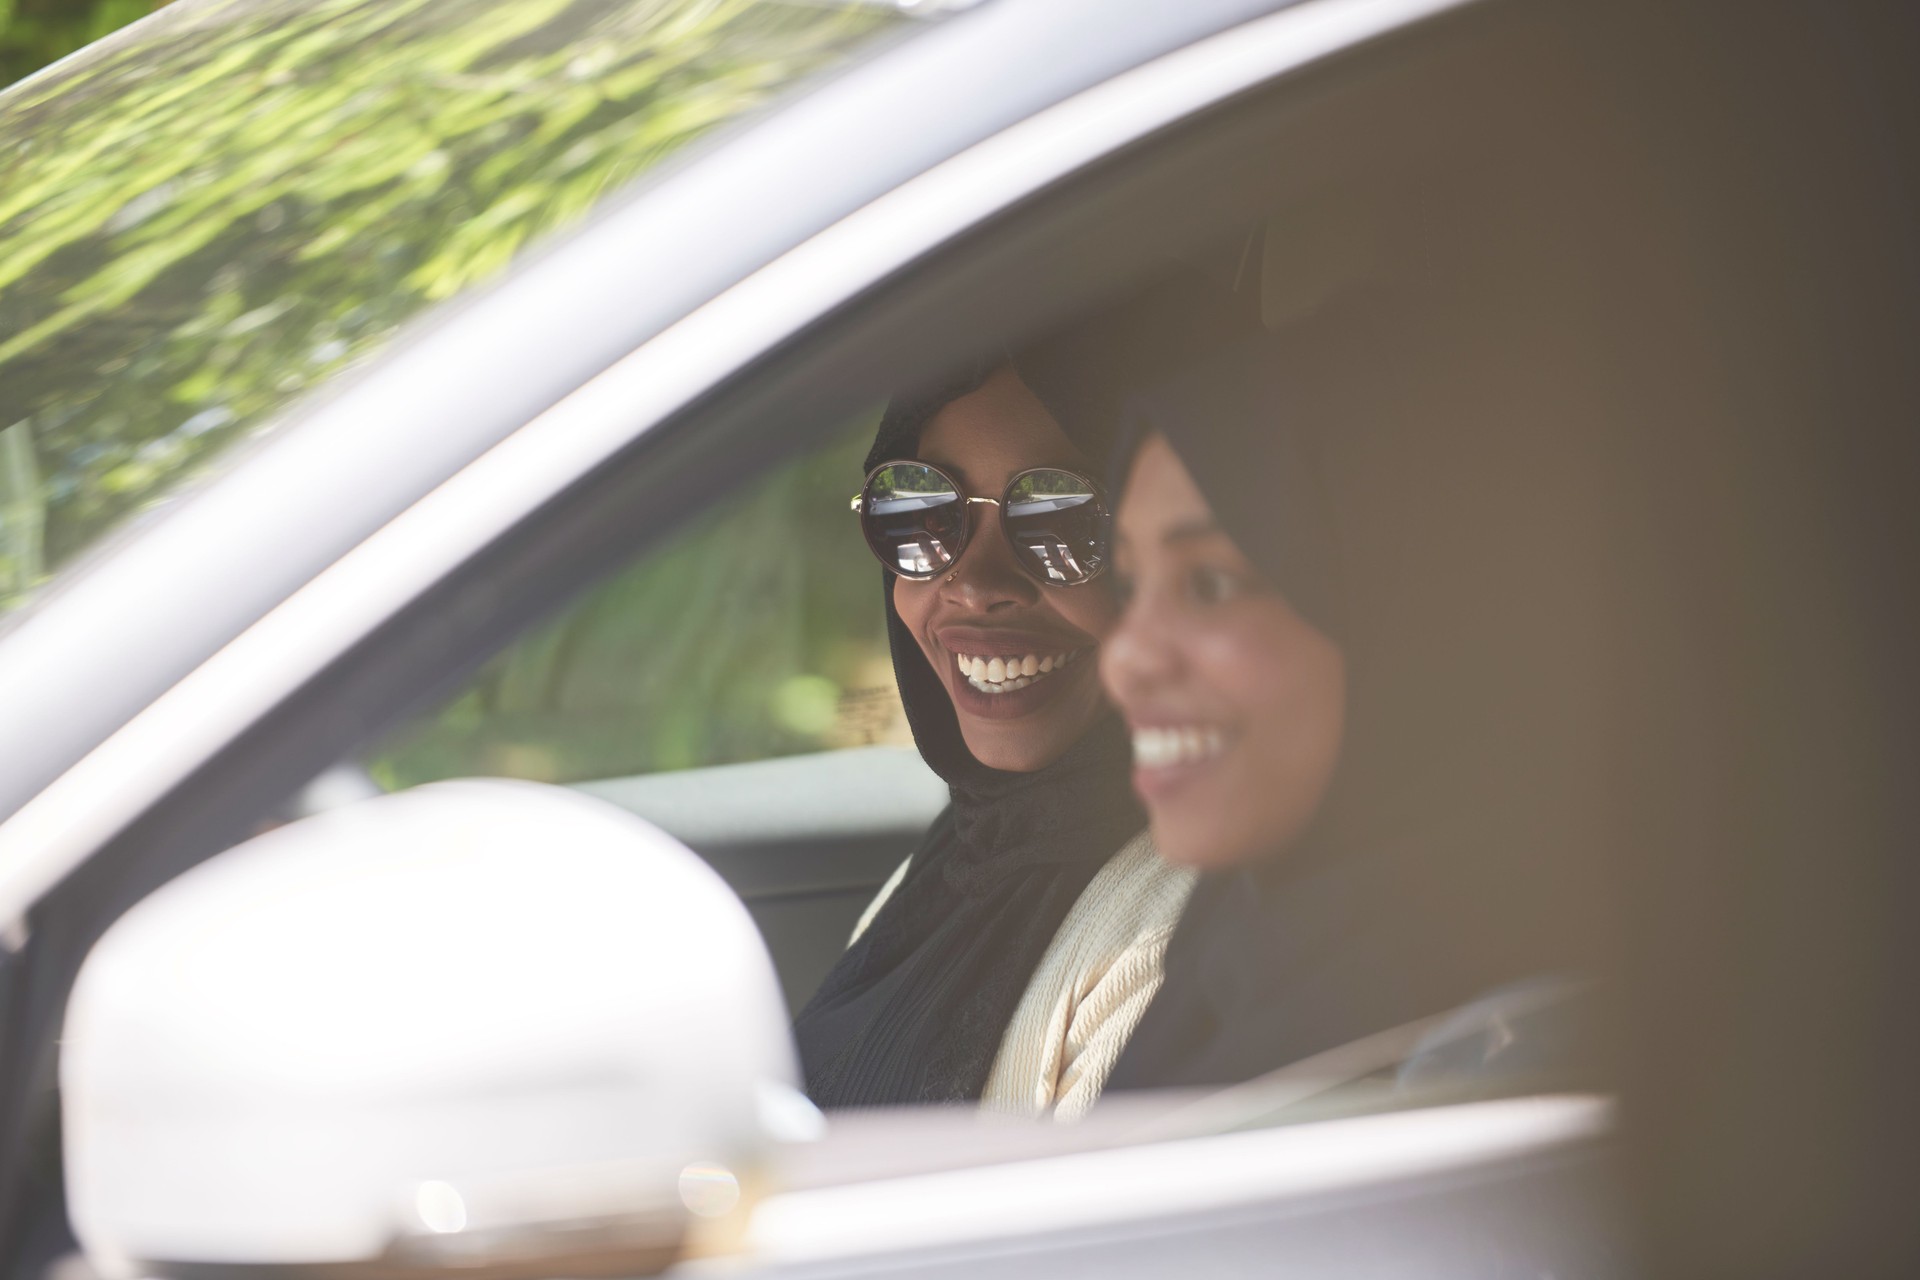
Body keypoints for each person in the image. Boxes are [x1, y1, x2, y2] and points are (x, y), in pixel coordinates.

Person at [1096, 300, 1605, 1094]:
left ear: (1426, 610)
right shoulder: (1243, 937)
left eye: (1213, 583)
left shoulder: (1484, 1053)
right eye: (1128, 585)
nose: (1123, 659)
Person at [793, 309, 1213, 1117]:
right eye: (921, 511)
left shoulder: (1164, 940)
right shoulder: (969, 846)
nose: (976, 582)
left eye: (1060, 520)